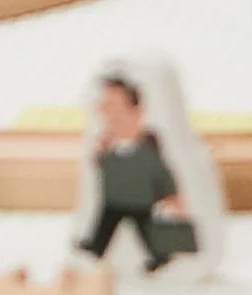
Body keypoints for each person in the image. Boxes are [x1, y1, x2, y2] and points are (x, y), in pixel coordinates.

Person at [74, 72, 192, 275]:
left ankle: (159, 256)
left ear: (136, 112)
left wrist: (172, 196)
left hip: (140, 198)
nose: (105, 112)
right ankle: (97, 247)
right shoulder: (110, 143)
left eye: (113, 107)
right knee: (107, 222)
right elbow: (103, 165)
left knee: (144, 229)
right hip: (117, 198)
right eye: (105, 106)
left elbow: (161, 172)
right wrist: (102, 150)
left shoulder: (148, 145)